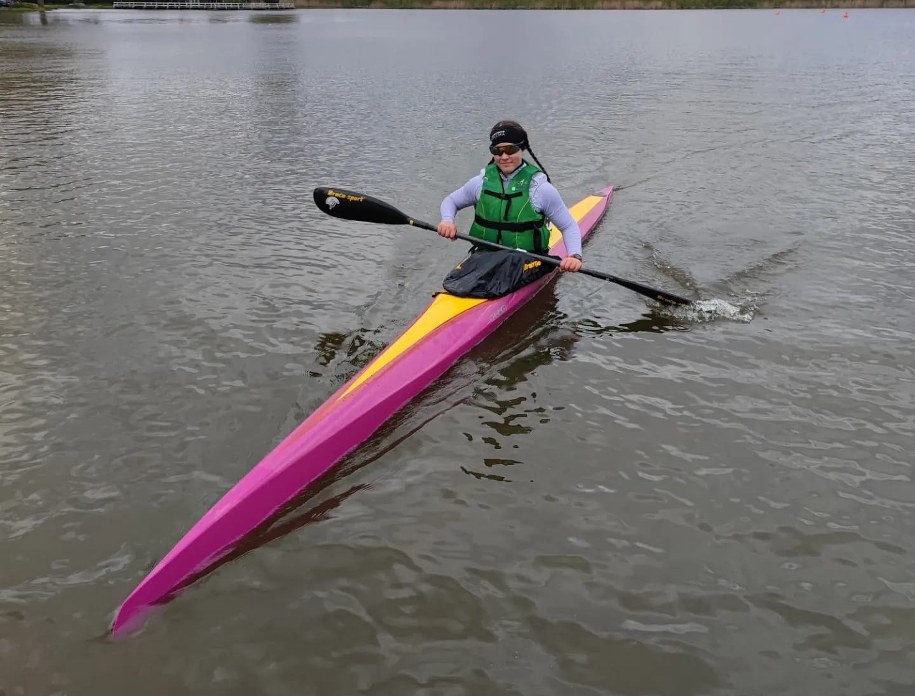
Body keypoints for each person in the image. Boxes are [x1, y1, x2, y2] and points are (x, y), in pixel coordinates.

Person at [437, 120, 583, 273]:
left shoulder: (540, 188)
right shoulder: (481, 182)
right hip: (485, 257)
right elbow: (451, 201)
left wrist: (574, 256)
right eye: (497, 151)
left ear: (522, 148)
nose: (504, 156)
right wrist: (447, 220)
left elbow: (568, 226)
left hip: (527, 261)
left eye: (510, 149)